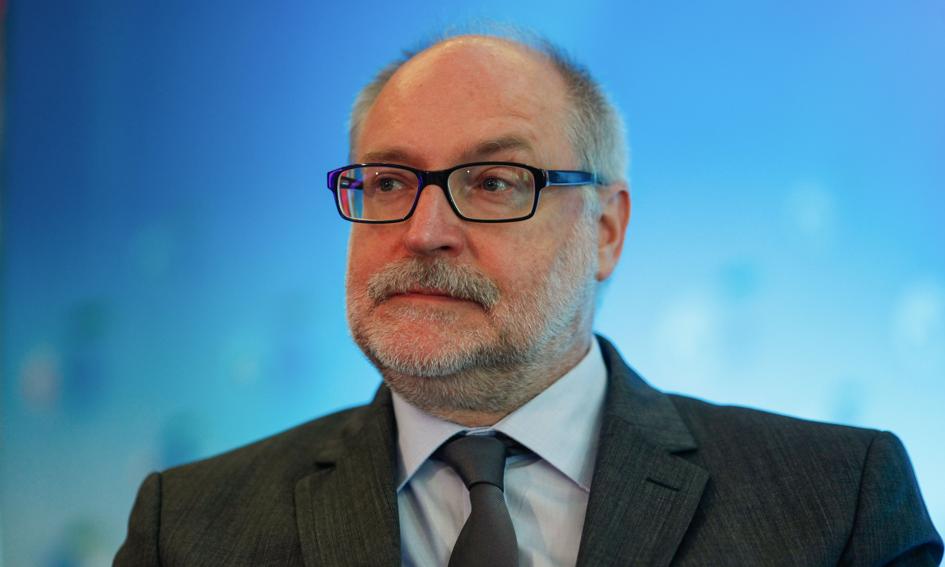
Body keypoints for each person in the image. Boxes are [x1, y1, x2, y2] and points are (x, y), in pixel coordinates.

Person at [115, 32, 942, 566]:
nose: (424, 231)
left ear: (606, 230)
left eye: (493, 182)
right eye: (389, 182)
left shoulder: (835, 501)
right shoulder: (187, 527)